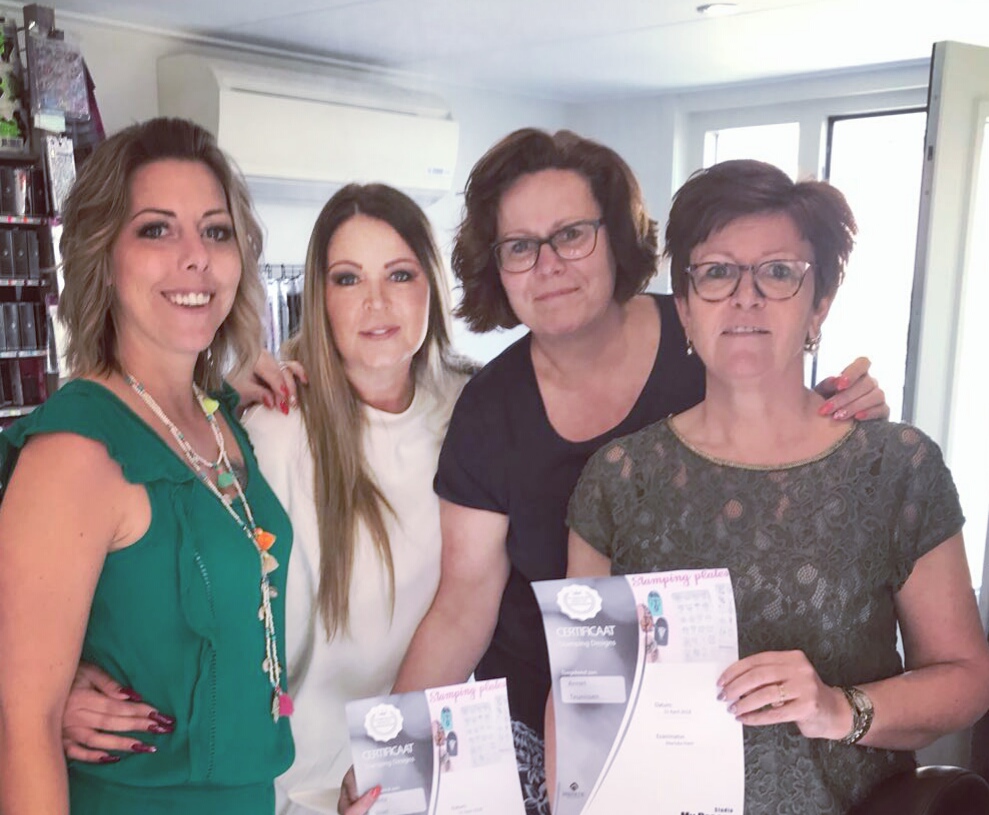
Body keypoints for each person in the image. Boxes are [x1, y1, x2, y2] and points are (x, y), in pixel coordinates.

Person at [342, 129, 890, 815]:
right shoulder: (488, 410)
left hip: (728, 721)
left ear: (616, 239)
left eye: (571, 235)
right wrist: (390, 759)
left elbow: (793, 447)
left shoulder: (707, 336)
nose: (548, 265)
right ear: (496, 266)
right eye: (519, 246)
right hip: (546, 732)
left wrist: (844, 406)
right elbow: (461, 607)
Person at [564, 159, 989, 813]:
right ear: (684, 306)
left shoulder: (896, 468)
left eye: (779, 272)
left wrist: (838, 708)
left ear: (819, 304)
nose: (746, 296)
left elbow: (966, 678)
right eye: (716, 272)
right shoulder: (618, 479)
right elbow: (581, 695)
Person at [59, 183, 474, 815]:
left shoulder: (474, 417)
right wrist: (60, 679)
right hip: (283, 783)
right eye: (347, 279)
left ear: (432, 287)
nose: (376, 302)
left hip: (416, 771)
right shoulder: (273, 429)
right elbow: (157, 577)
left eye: (399, 274)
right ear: (319, 299)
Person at [0, 118, 294, 814]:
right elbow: (23, 729)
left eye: (216, 231)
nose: (195, 258)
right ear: (104, 256)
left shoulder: (221, 419)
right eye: (156, 230)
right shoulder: (76, 451)